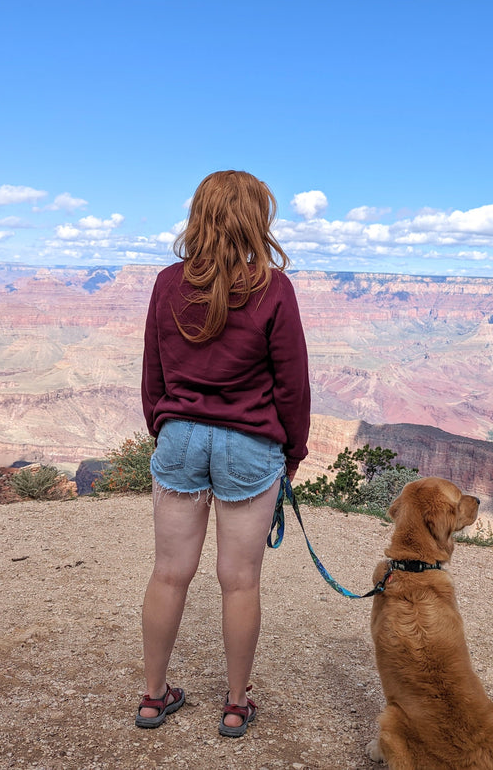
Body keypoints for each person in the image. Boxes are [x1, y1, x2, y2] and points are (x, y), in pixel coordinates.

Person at [137, 170, 311, 738]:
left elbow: (153, 374)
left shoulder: (168, 283)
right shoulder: (273, 290)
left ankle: (153, 696)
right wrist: (293, 451)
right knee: (239, 581)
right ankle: (236, 704)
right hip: (248, 443)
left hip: (181, 436)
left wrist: (163, 430)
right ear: (257, 220)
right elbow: (292, 386)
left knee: (168, 575)